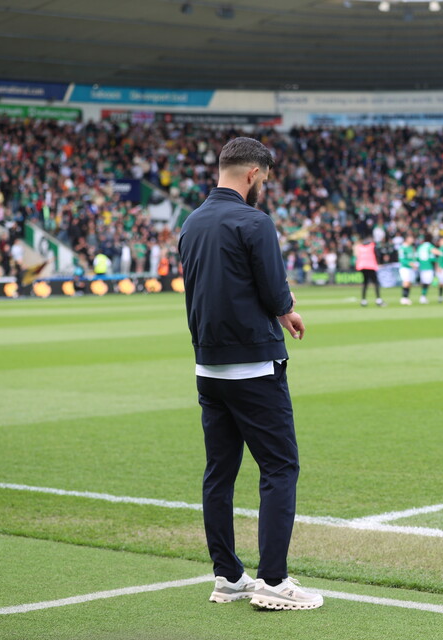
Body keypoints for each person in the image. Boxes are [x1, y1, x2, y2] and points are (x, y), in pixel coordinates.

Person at [177, 137, 323, 612]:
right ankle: (274, 582)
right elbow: (273, 289)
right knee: (280, 468)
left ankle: (228, 576)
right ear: (253, 174)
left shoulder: (192, 222)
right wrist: (287, 308)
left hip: (208, 367)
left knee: (219, 472)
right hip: (254, 365)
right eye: (265, 179)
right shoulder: (254, 221)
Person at [354, 236, 384, 307]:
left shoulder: (360, 247)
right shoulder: (372, 246)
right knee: (376, 283)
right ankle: (378, 300)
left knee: (365, 283)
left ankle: (363, 300)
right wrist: (379, 263)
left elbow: (357, 256)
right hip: (371, 266)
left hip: (362, 267)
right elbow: (377, 255)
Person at [415, 235, 440, 304]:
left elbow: (417, 257)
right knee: (427, 282)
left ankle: (423, 297)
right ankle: (423, 296)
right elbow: (435, 253)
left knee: (425, 282)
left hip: (422, 266)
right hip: (428, 266)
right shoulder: (429, 246)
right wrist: (442, 254)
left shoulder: (420, 247)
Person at [396, 235, 417, 305]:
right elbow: (401, 259)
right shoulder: (402, 248)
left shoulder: (411, 248)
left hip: (410, 268)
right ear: (407, 239)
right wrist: (409, 263)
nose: (412, 240)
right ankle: (403, 298)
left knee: (409, 283)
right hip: (404, 268)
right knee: (406, 282)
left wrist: (414, 264)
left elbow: (413, 258)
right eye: (411, 239)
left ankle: (407, 298)